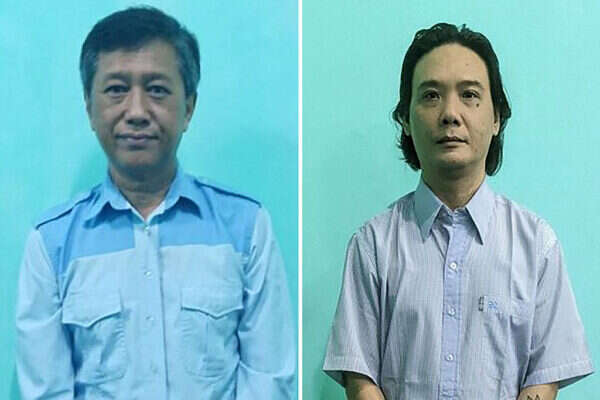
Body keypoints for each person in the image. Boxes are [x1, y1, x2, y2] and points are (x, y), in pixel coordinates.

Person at [16, 6, 295, 399]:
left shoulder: (246, 227)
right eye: (116, 89)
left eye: (157, 90)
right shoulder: (51, 243)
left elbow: (269, 379)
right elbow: (46, 391)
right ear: (90, 108)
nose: (136, 112)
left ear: (189, 108)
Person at [323, 23, 593, 399]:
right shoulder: (373, 245)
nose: (450, 114)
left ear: (497, 118)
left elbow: (543, 379)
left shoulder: (537, 245)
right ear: (405, 119)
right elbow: (361, 380)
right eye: (431, 95)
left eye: (469, 95)